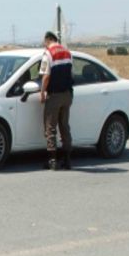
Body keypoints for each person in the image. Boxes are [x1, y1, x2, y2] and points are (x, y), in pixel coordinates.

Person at [39, 31, 73, 170]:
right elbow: (71, 74)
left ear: (48, 40)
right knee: (64, 127)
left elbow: (46, 76)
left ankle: (52, 160)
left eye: (44, 43)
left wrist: (42, 92)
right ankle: (67, 160)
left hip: (55, 95)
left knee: (50, 127)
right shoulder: (67, 52)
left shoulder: (48, 54)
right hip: (67, 95)